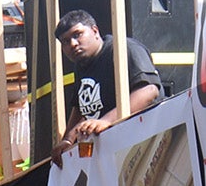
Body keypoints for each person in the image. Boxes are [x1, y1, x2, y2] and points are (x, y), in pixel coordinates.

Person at [54, 8, 162, 155]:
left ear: (94, 30)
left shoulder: (124, 49)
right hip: (113, 150)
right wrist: (67, 140)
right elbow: (80, 107)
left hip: (150, 143)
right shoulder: (81, 65)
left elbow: (149, 91)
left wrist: (106, 121)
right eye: (65, 41)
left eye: (77, 35)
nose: (73, 44)